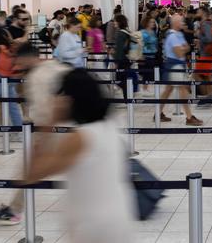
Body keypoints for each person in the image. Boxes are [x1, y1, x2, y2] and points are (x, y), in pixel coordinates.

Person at [22, 69, 136, 243]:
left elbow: (32, 174)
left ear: (70, 100)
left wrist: (49, 124)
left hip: (92, 227)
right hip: (118, 217)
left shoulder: (81, 138)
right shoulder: (113, 124)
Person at [0, 43, 72, 225]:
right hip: (81, 127)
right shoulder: (54, 65)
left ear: (26, 58)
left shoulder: (37, 76)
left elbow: (45, 113)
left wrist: (41, 140)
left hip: (59, 132)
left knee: (29, 169)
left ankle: (14, 211)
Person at [159, 14, 203, 126]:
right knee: (183, 90)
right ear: (175, 23)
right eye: (181, 21)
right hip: (174, 66)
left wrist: (182, 49)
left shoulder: (179, 34)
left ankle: (157, 113)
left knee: (168, 91)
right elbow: (180, 52)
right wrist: (183, 48)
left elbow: (187, 48)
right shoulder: (173, 36)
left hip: (178, 65)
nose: (183, 23)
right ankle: (189, 117)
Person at [139, 16, 158, 95]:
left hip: (153, 55)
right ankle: (144, 89)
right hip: (145, 56)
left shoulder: (153, 32)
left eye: (154, 22)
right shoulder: (142, 32)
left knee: (150, 73)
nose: (153, 24)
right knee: (145, 73)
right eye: (151, 22)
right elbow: (139, 44)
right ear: (147, 23)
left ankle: (146, 88)